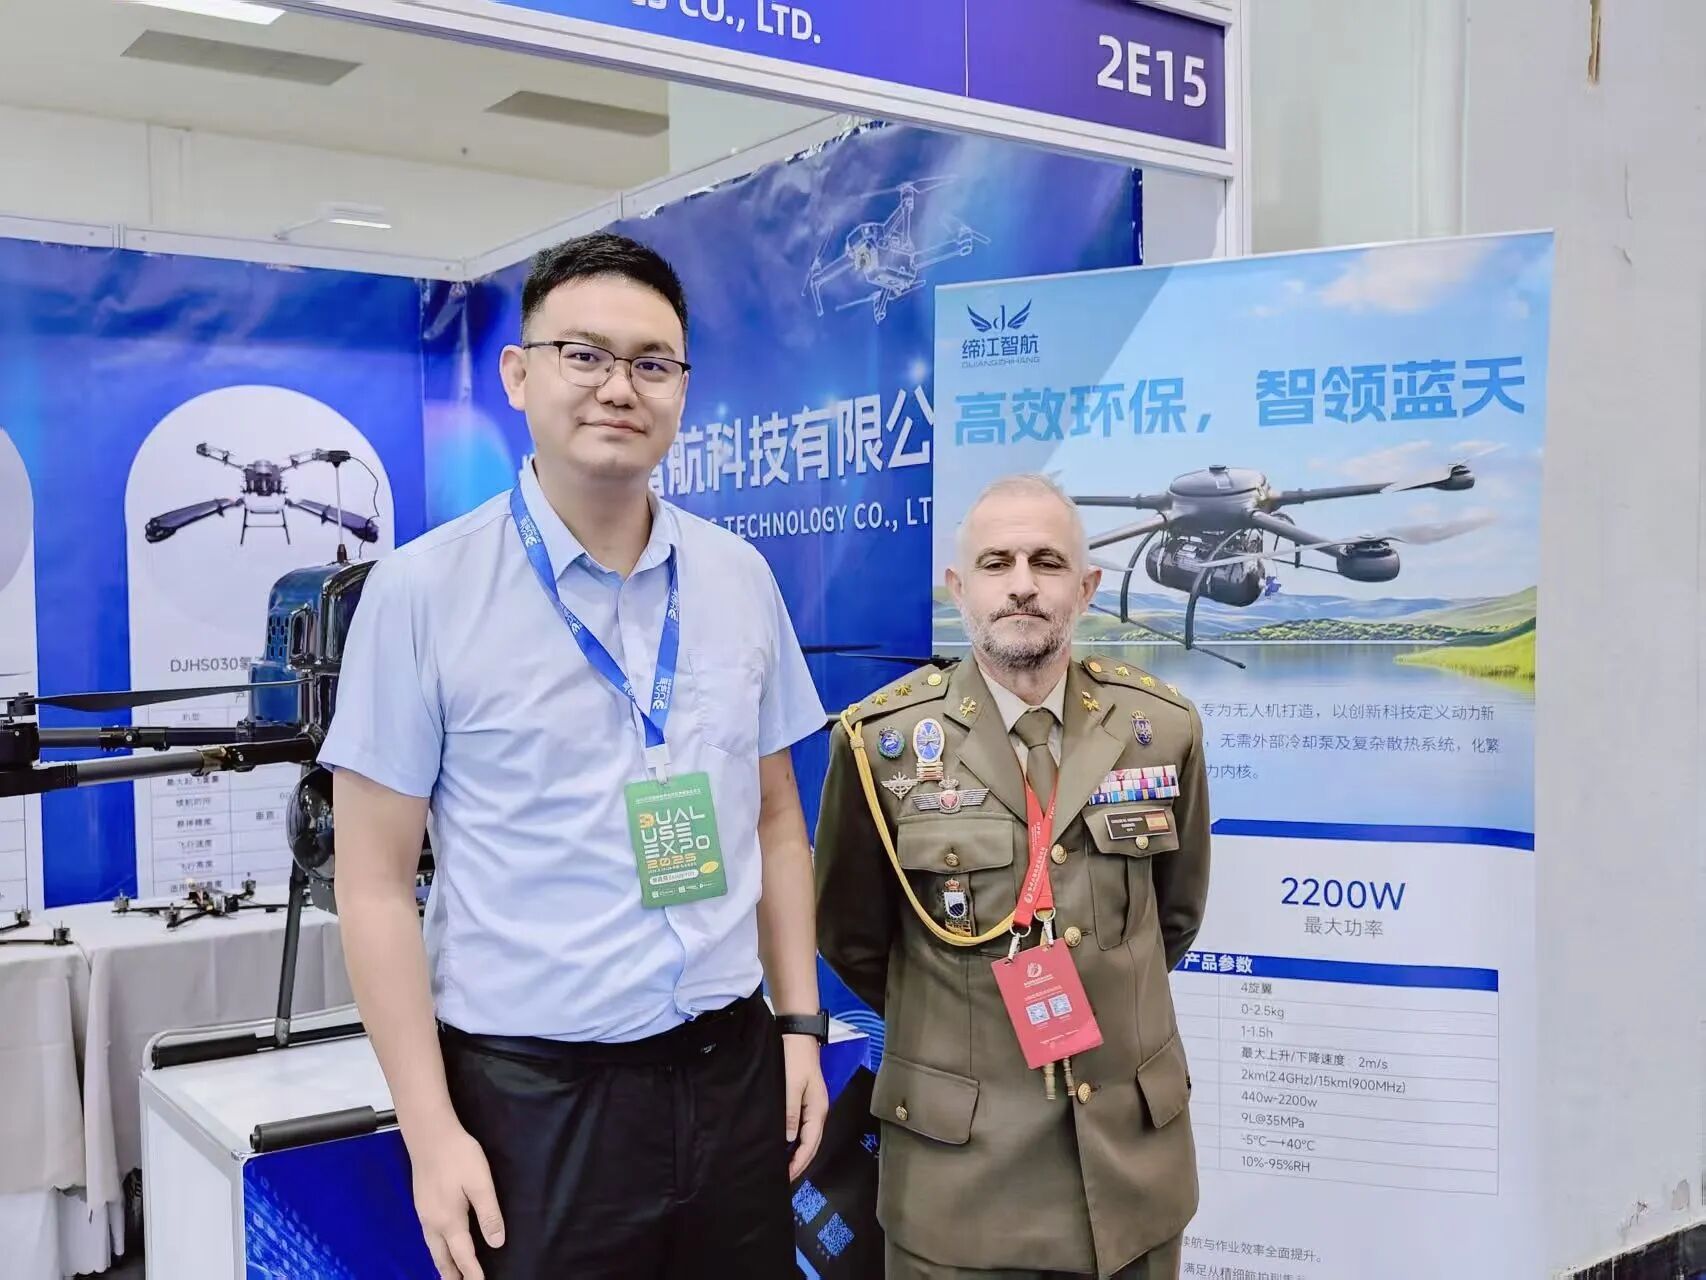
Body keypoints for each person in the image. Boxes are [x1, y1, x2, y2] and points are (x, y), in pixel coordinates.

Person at [320, 231, 832, 1280]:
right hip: (535, 1101)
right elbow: (372, 884)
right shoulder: (422, 593)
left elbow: (777, 815)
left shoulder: (738, 577)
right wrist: (430, 1129)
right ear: (519, 375)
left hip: (731, 1069)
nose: (619, 387)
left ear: (683, 388)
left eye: (652, 363)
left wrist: (798, 1023)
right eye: (585, 355)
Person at [813, 473, 1211, 1280]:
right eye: (996, 563)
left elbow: (1174, 916)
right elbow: (852, 937)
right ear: (958, 588)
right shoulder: (880, 743)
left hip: (1130, 1176)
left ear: (1087, 588)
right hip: (961, 1183)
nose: (1022, 584)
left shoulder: (1160, 730)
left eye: (1047, 562)